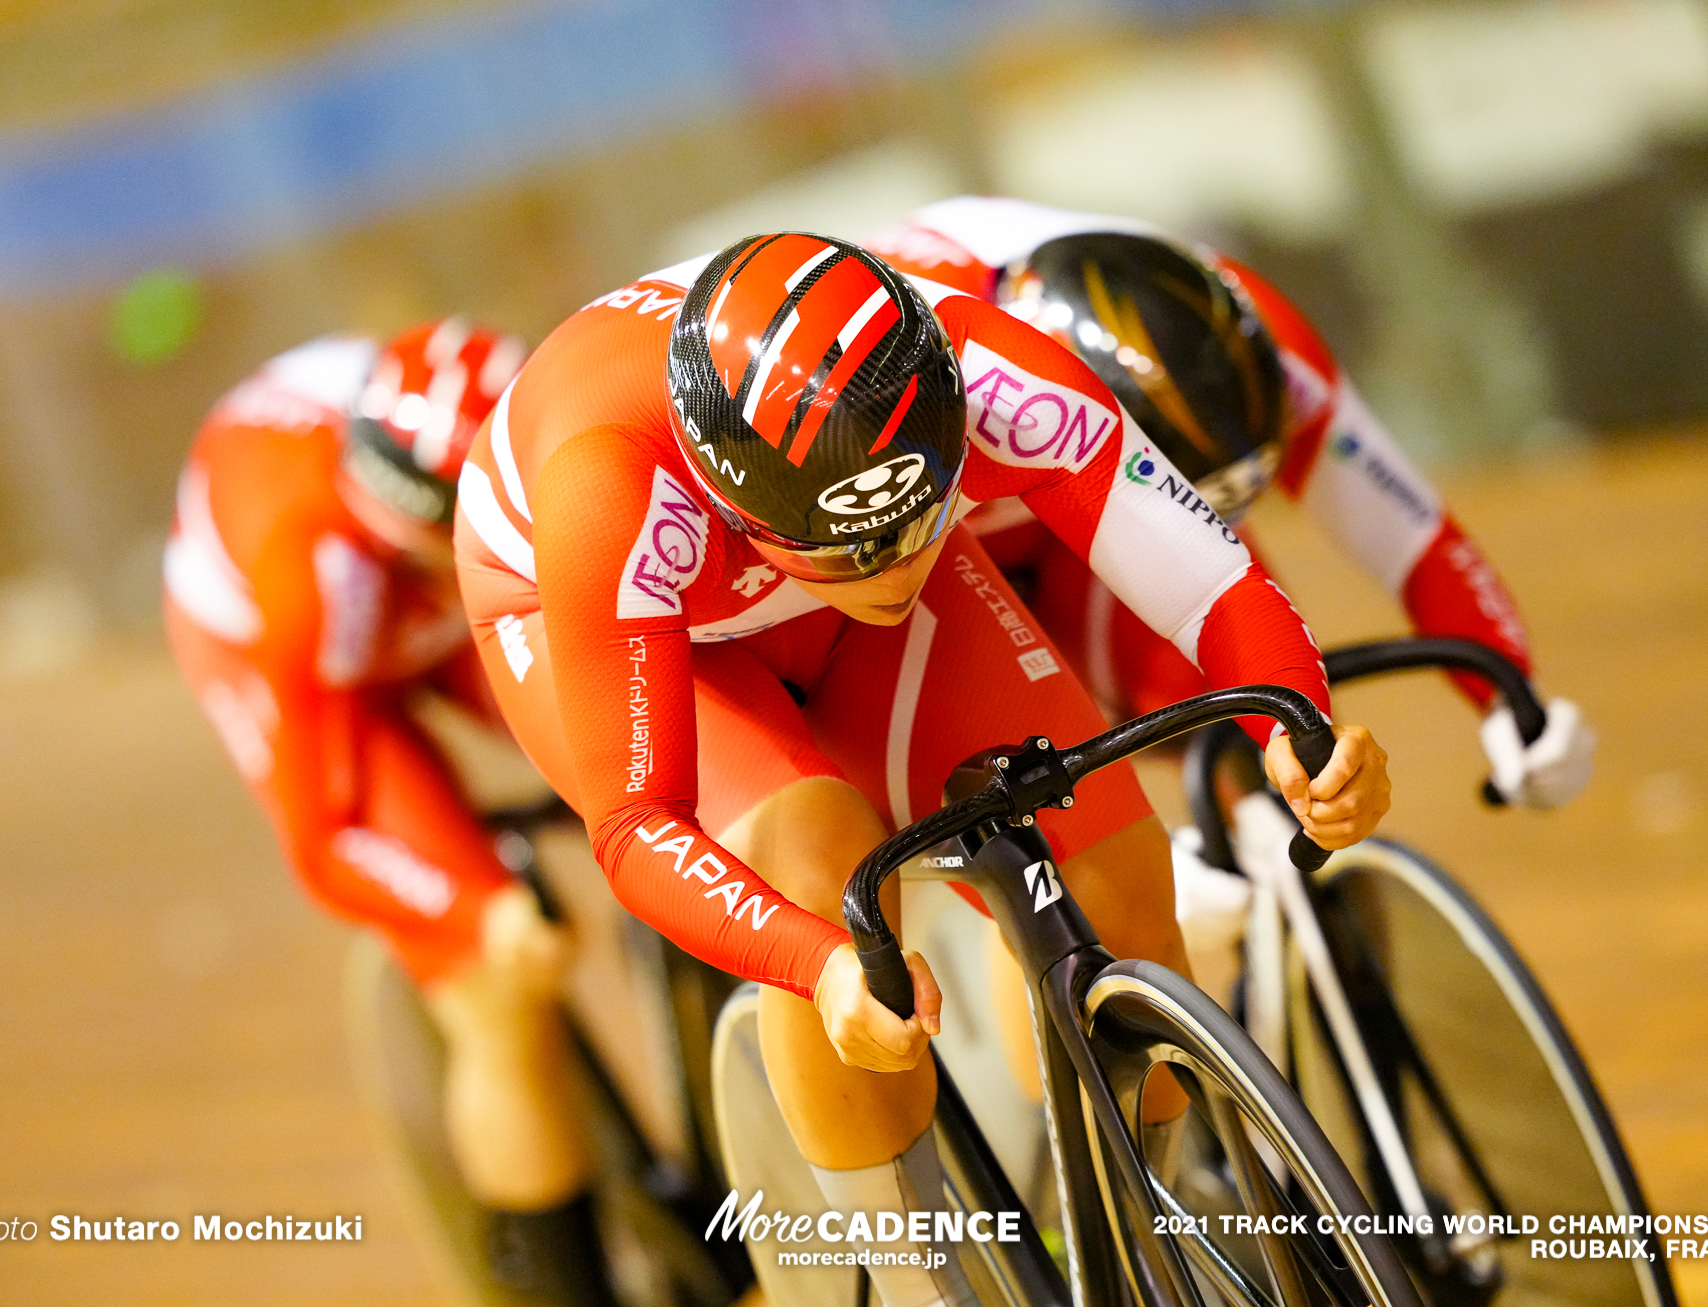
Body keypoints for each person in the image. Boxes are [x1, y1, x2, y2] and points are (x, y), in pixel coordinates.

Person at [454, 233, 1392, 1307]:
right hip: (622, 610)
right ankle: (910, 1283)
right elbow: (635, 826)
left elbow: (1210, 579)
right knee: (820, 864)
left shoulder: (991, 366)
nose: (897, 566)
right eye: (860, 546)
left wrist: (1297, 726)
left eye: (920, 518)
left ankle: (1148, 1240)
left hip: (806, 539)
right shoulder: (606, 493)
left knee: (1116, 873)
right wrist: (818, 963)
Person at [865, 196, 1597, 811]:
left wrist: (1509, 694)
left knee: (1248, 721)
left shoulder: (1255, 335)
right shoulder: (966, 381)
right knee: (1041, 835)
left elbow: (1411, 532)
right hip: (947, 526)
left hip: (1100, 507)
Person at [163, 318, 615, 1306]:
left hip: (454, 582)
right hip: (303, 653)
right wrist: (474, 914)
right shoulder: (309, 577)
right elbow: (324, 841)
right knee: (499, 980)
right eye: (413, 551)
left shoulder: (528, 435)